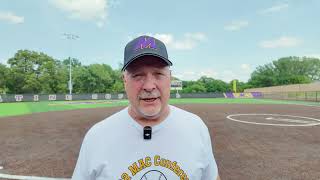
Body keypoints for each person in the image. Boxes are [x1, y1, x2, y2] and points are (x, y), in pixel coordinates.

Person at [72, 35, 220, 180]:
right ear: (125, 80)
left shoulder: (196, 127)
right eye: (138, 75)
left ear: (170, 77)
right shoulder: (97, 137)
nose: (149, 86)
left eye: (158, 74)